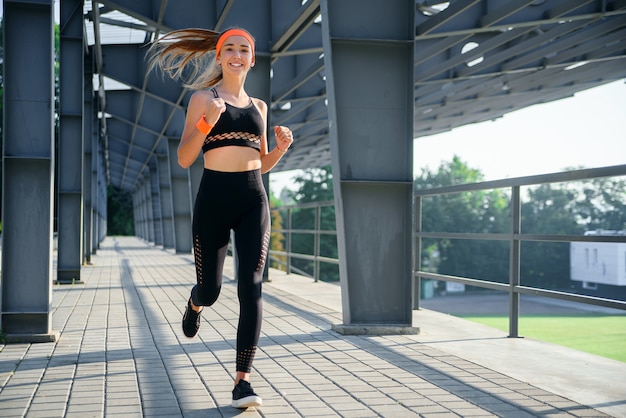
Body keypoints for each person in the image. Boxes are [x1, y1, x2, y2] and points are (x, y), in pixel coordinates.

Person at [148, 27, 293, 409]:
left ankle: (242, 381)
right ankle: (195, 303)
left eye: (243, 49)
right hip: (213, 198)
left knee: (252, 286)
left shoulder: (259, 107)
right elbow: (183, 158)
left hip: (252, 200)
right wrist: (205, 123)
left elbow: (260, 166)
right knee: (211, 291)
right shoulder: (203, 99)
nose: (236, 54)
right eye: (229, 48)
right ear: (218, 57)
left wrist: (279, 148)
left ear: (252, 59)